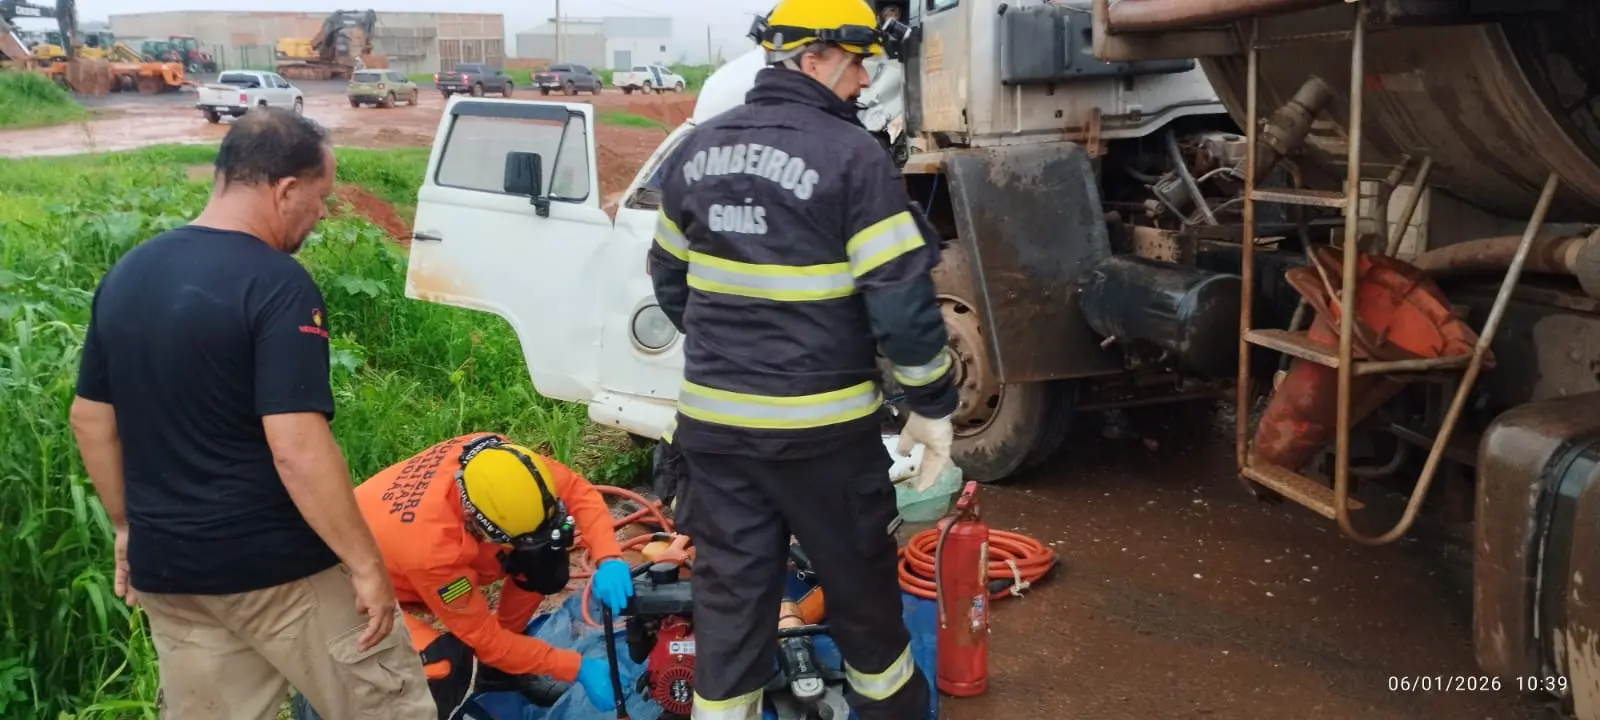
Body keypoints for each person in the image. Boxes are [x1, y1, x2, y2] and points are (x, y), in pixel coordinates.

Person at [68, 107, 436, 720]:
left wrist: (128, 527)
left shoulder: (128, 274)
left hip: (171, 573)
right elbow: (295, 446)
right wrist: (366, 564)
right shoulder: (276, 283)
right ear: (285, 188)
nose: (321, 214)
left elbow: (89, 420)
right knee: (388, 706)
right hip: (278, 570)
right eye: (319, 198)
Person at [645, 0, 958, 718]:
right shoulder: (852, 158)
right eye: (859, 67)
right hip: (825, 442)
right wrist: (932, 406)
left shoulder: (696, 151)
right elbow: (901, 306)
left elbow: (668, 277)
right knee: (864, 610)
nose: (862, 84)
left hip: (716, 438)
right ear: (815, 57)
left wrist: (737, 357)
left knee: (728, 613)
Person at [352, 433, 636, 719]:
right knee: (443, 666)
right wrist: (575, 667)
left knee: (543, 561)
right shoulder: (432, 550)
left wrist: (608, 556)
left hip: (403, 542)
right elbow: (483, 640)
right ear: (473, 517)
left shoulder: (502, 464)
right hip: (356, 589)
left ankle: (500, 674)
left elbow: (577, 490)